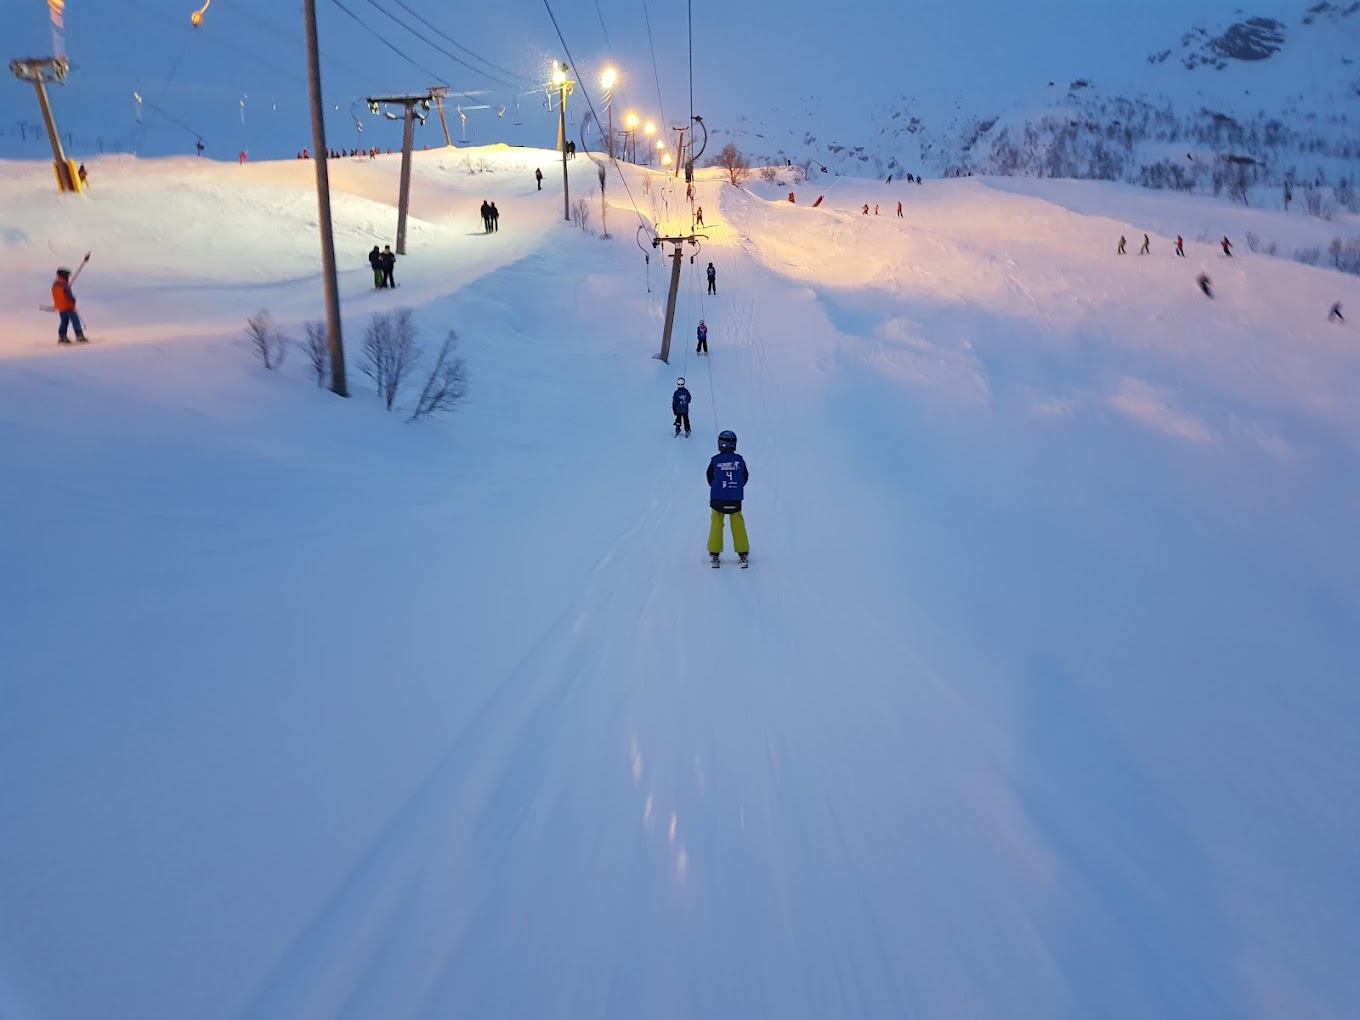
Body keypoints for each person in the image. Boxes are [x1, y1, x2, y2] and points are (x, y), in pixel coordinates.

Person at [706, 430, 750, 567]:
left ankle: (714, 552)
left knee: (716, 523)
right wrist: (735, 488)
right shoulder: (740, 460)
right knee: (737, 523)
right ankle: (742, 551)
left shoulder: (714, 460)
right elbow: (745, 477)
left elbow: (709, 478)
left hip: (717, 499)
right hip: (735, 499)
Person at [51, 267, 87, 344]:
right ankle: (79, 336)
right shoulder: (64, 285)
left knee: (64, 322)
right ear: (64, 275)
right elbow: (69, 297)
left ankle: (62, 337)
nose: (68, 277)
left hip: (60, 307)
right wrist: (73, 301)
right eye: (67, 275)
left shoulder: (55, 284)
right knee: (75, 321)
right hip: (68, 306)